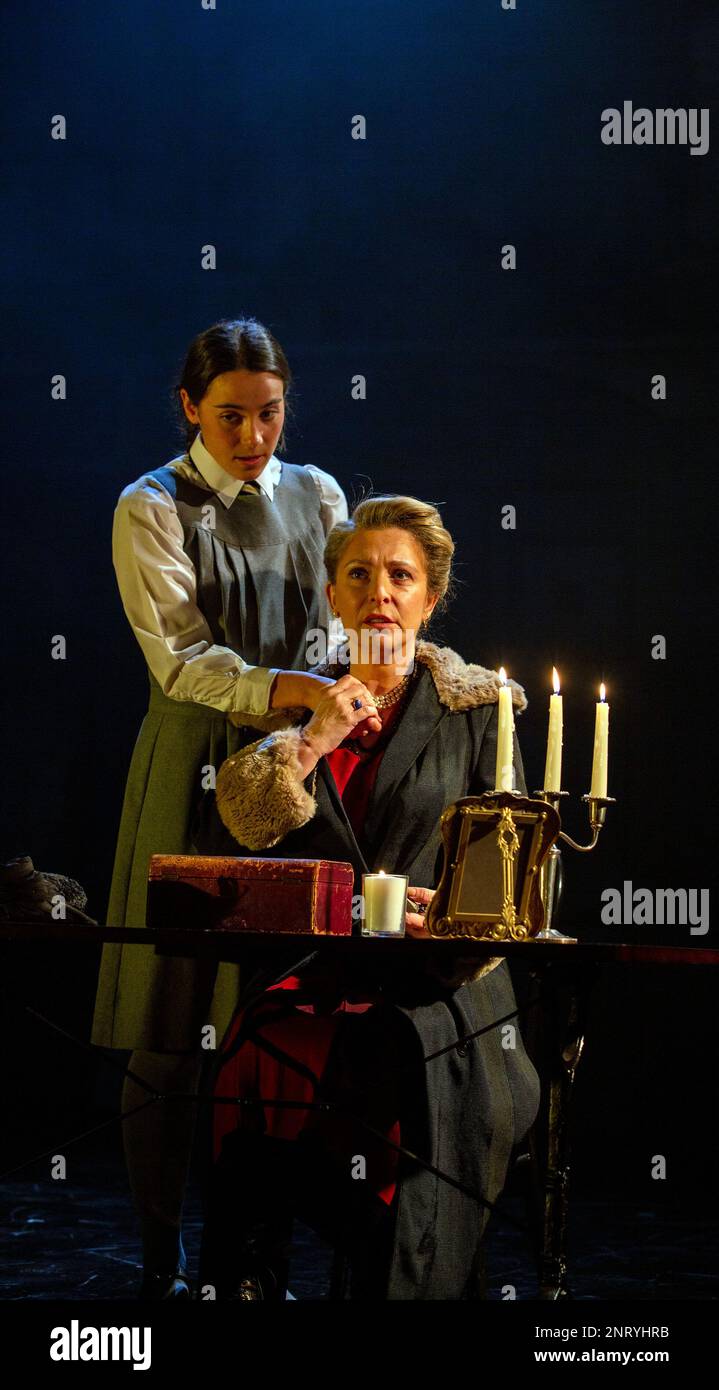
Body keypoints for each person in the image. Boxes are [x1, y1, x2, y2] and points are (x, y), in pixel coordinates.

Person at [90, 318, 378, 1299]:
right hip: (192, 766)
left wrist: (350, 690)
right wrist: (291, 687)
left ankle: (252, 1253)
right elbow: (176, 658)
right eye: (229, 417)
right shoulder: (151, 505)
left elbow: (344, 622)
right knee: (171, 1025)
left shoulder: (319, 493)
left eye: (268, 413)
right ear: (186, 408)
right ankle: (160, 1254)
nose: (253, 435)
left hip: (292, 764)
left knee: (276, 1019)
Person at [195, 494, 541, 1300]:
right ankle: (246, 1278)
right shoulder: (298, 703)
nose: (378, 590)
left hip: (440, 981)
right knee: (257, 1045)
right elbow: (243, 830)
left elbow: (512, 860)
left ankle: (392, 1272)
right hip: (321, 972)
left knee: (386, 1061)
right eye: (359, 574)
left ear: (430, 595)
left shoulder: (477, 705)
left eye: (399, 575)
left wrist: (451, 914)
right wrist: (315, 734)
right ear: (333, 596)